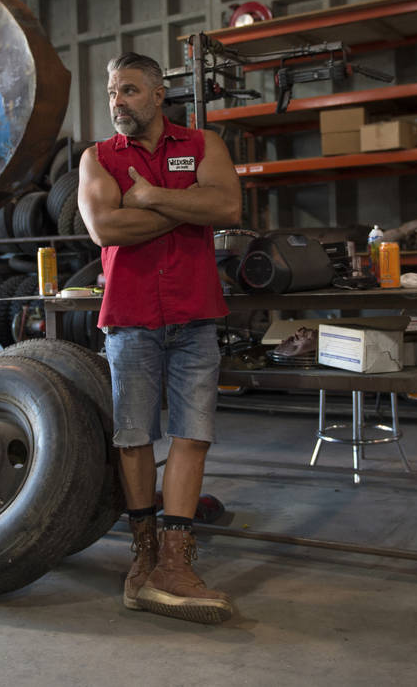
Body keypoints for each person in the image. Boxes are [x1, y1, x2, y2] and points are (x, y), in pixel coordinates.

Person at [77, 51, 241, 624]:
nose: (117, 101)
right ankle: (143, 556)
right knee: (134, 437)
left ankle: (174, 560)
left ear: (157, 94)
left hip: (195, 312)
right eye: (111, 92)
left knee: (193, 434)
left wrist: (148, 197)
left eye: (128, 90)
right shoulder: (98, 158)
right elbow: (105, 227)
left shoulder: (203, 144)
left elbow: (228, 205)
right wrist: (188, 206)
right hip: (130, 316)